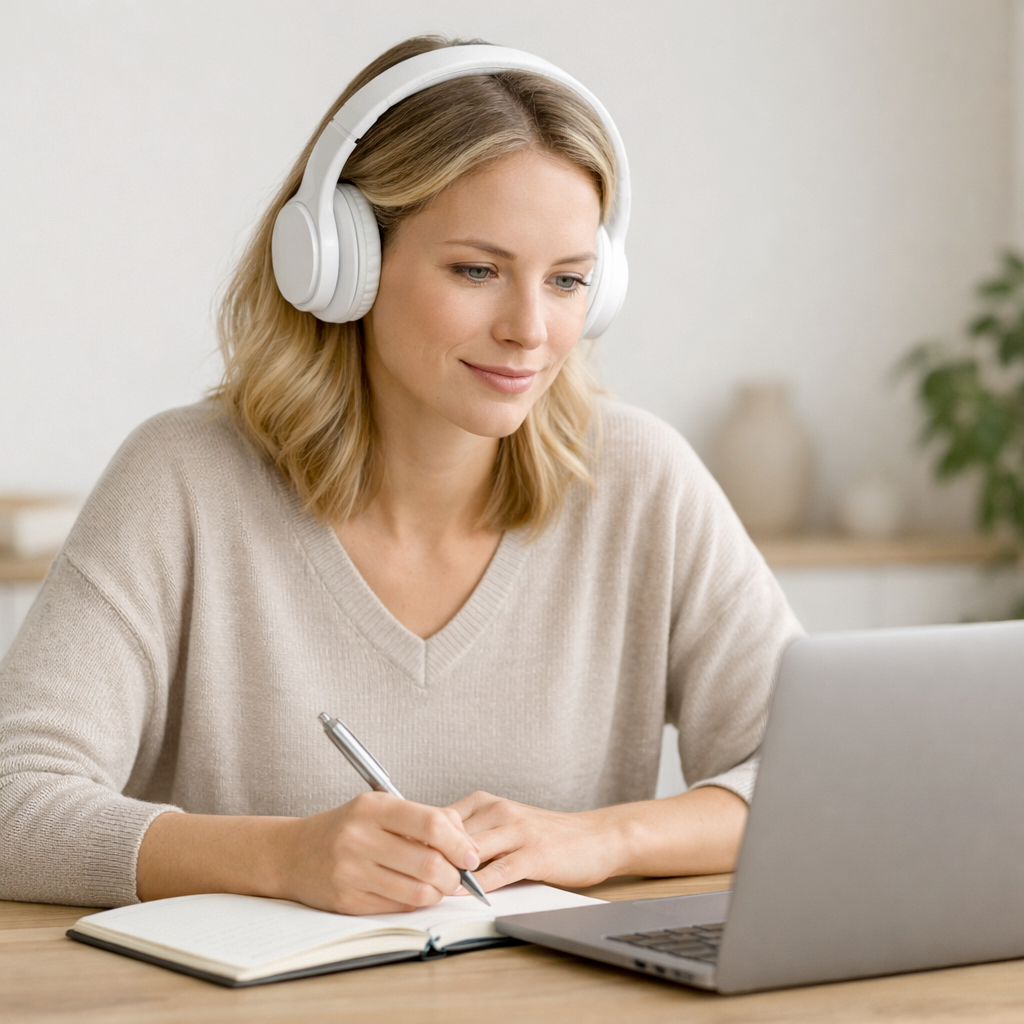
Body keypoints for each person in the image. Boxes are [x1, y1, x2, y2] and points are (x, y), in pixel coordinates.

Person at [0, 36, 801, 915]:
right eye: (477, 270)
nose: (530, 329)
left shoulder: (643, 482)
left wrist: (601, 837)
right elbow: (15, 804)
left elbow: (814, 778)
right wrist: (281, 854)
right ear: (343, 263)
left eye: (569, 281)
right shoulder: (182, 482)